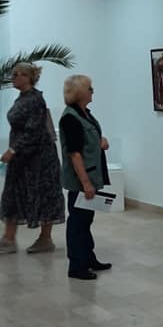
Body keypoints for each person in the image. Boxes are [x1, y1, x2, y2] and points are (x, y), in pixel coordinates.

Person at [0, 63, 64, 254]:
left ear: (28, 77)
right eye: (13, 74)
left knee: (44, 195)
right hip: (22, 158)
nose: (13, 77)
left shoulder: (36, 100)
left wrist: (13, 150)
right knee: (12, 194)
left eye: (17, 74)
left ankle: (45, 239)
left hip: (40, 159)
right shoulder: (22, 98)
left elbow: (33, 131)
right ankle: (8, 239)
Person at [59, 74, 112, 280]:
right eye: (89, 88)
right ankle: (76, 266)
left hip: (91, 174)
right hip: (81, 180)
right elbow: (74, 153)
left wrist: (100, 140)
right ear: (80, 92)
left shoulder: (84, 114)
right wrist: (86, 183)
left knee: (86, 220)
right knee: (77, 223)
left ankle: (88, 258)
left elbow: (87, 140)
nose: (92, 91)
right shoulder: (70, 118)